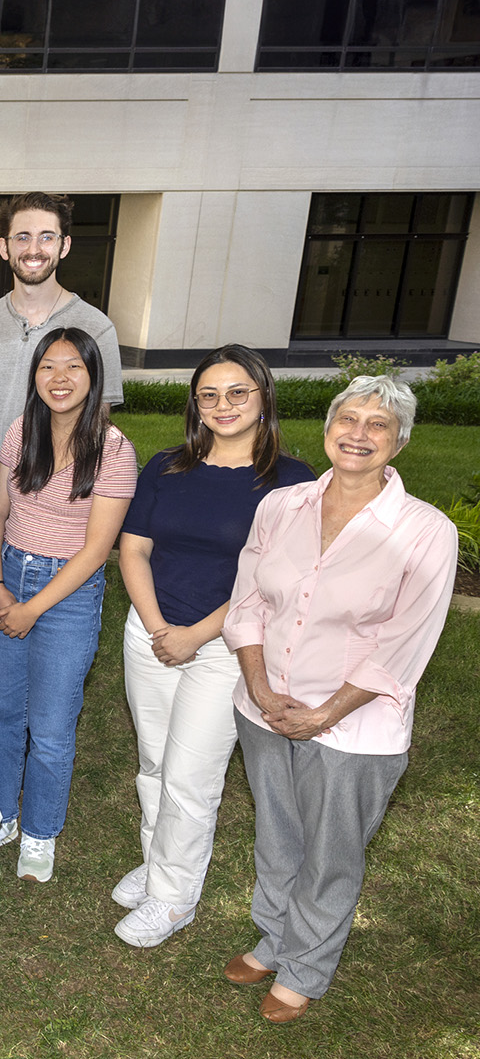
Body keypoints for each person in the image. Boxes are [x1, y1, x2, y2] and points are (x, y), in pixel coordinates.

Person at [221, 376, 456, 1023]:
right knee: (277, 835)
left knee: (331, 852)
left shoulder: (424, 531)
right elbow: (246, 600)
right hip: (266, 707)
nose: (359, 434)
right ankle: (274, 936)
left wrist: (325, 713)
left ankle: (306, 967)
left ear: (400, 441)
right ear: (327, 429)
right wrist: (262, 688)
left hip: (355, 727)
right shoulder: (283, 506)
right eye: (347, 419)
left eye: (378, 425)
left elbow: (406, 644)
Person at [112, 346, 315, 948]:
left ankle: (173, 899)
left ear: (263, 398)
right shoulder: (166, 466)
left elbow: (274, 581)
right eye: (209, 395)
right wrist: (156, 628)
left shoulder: (293, 482)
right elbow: (134, 549)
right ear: (195, 404)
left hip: (229, 645)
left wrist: (198, 636)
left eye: (237, 393)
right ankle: (158, 863)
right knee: (153, 762)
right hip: (151, 631)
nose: (223, 406)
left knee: (189, 775)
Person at [0, 327, 136, 884]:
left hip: (67, 592)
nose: (60, 378)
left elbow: (97, 550)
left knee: (50, 725)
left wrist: (32, 607)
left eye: (74, 367)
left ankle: (40, 833)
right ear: (34, 375)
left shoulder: (114, 450)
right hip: (8, 574)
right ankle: (0, 815)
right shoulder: (21, 432)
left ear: (94, 377)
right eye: (48, 366)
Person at [0, 192, 124, 460]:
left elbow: (95, 423)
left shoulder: (96, 327)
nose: (34, 249)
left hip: (53, 491)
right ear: (4, 248)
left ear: (64, 246)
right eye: (23, 237)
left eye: (47, 237)